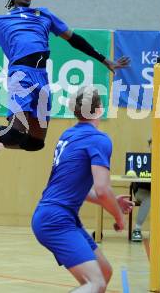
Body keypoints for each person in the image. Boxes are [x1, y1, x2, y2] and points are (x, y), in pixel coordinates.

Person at [0, 0, 130, 169]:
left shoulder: (44, 15)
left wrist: (104, 60)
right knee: (15, 133)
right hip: (21, 75)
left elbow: (74, 39)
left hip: (42, 77)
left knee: (35, 143)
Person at [31, 86, 133, 292]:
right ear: (99, 110)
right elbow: (103, 190)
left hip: (57, 215)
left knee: (104, 272)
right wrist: (119, 217)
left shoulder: (68, 135)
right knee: (95, 283)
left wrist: (115, 202)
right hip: (56, 220)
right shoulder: (99, 139)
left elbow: (78, 189)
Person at [131, 139, 151, 242]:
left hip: (159, 192)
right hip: (142, 190)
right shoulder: (143, 160)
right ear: (149, 146)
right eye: (153, 144)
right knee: (149, 198)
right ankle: (137, 230)